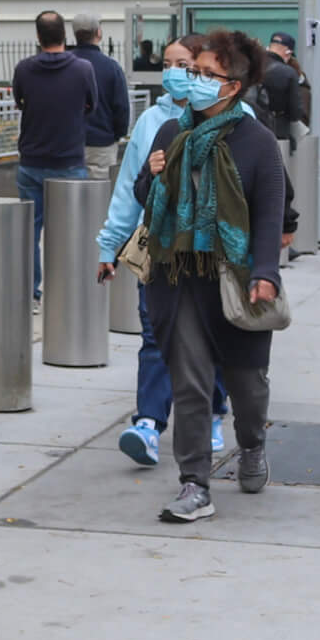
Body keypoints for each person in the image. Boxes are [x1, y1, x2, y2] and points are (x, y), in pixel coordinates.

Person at [134, 29, 287, 525]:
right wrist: (153, 175)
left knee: (247, 386)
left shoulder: (258, 142)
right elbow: (144, 194)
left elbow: (270, 213)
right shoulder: (168, 132)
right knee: (191, 385)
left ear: (233, 86)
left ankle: (251, 443)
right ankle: (194, 483)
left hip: (236, 281)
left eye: (205, 74)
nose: (192, 80)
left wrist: (266, 272)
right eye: (191, 71)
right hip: (178, 278)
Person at [93, 33, 228, 469]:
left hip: (208, 250)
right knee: (155, 336)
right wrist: (110, 245)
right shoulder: (151, 122)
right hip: (159, 249)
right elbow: (129, 191)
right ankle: (149, 423)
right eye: (167, 63)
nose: (173, 71)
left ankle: (211, 410)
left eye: (183, 63)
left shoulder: (230, 119)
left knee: (209, 335)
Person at [13, 11, 95, 304]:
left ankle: (32, 293)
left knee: (29, 231)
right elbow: (91, 105)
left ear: (38, 37)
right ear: (65, 36)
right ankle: (67, 295)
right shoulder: (83, 69)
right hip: (70, 161)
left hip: (31, 161)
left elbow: (19, 101)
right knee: (70, 232)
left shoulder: (23, 69)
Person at [70, 14, 131, 181]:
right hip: (102, 142)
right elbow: (121, 107)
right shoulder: (111, 67)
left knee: (67, 195)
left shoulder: (64, 64)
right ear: (98, 32)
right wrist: (117, 134)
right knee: (99, 195)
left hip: (67, 142)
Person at [259, 34, 309, 146]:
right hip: (279, 130)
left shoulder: (253, 66)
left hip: (254, 126)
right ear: (288, 53)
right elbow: (296, 112)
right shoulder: (289, 73)